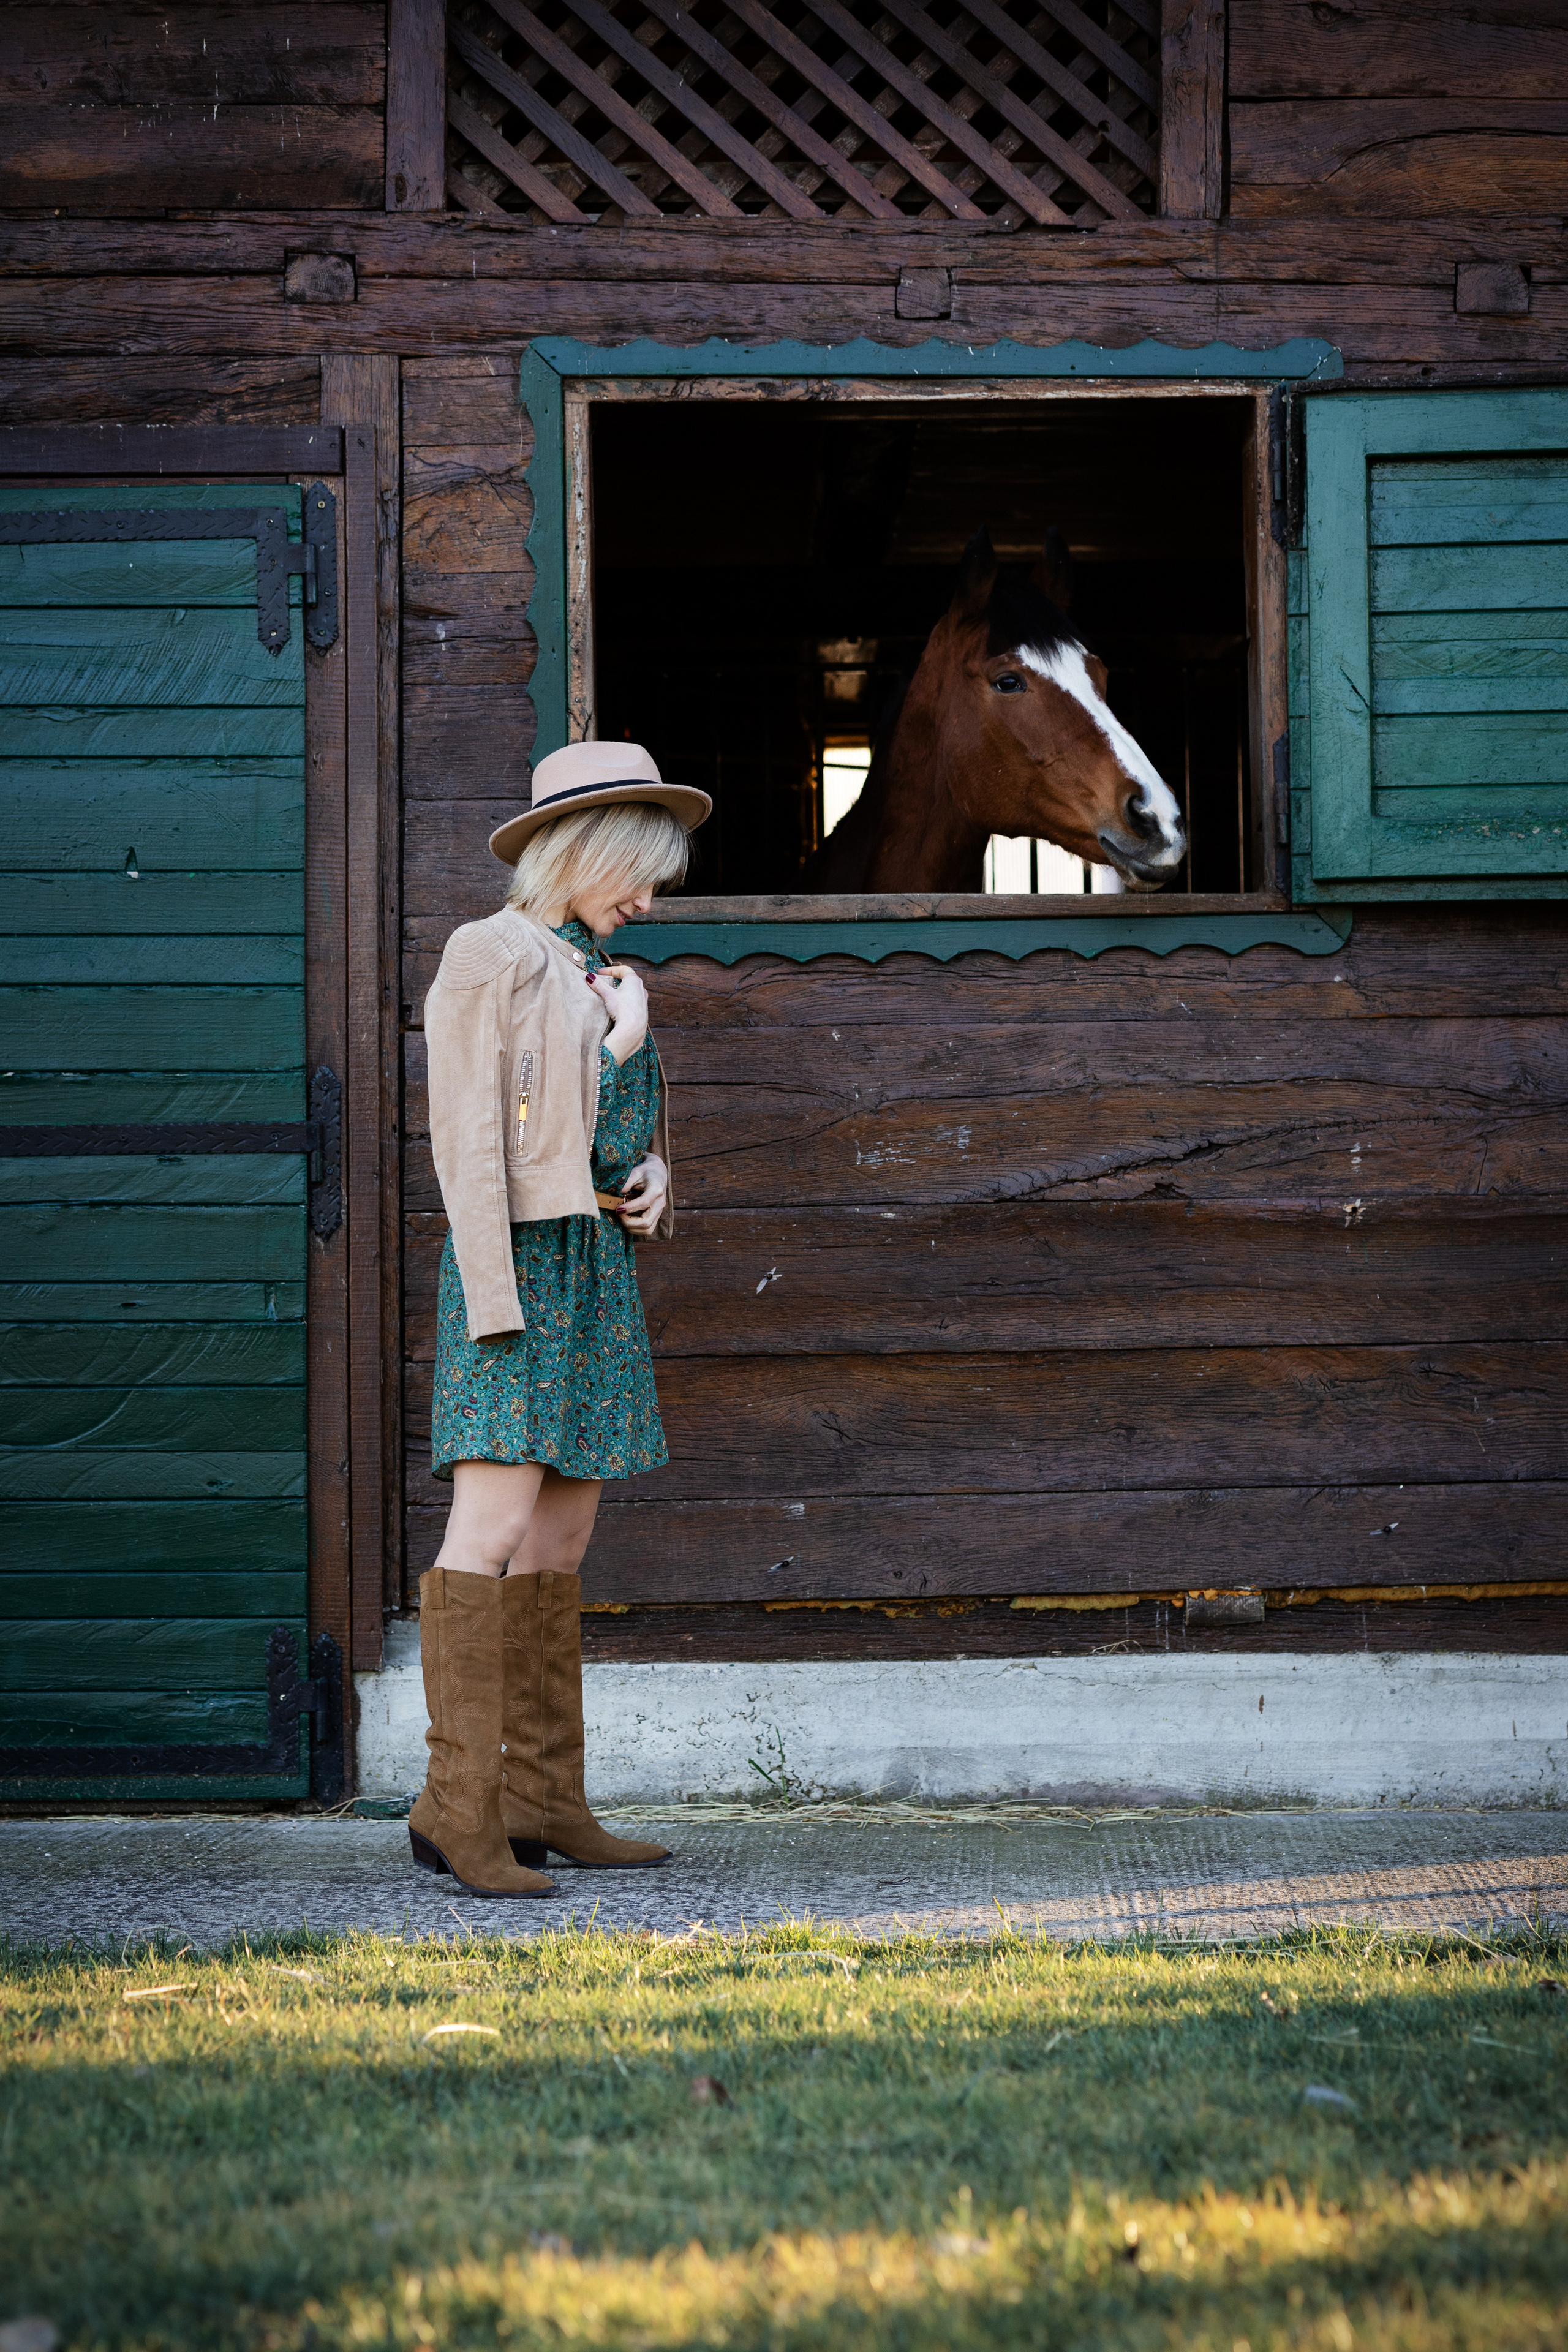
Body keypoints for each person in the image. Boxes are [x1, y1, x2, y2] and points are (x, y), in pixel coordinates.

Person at [409, 740, 710, 1897]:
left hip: (594, 1265)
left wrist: (654, 1177)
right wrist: (492, 1297)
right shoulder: (491, 952)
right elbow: (470, 1138)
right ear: (581, 853)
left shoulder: (598, 967)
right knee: (485, 1535)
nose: (646, 900)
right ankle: (456, 1808)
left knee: (562, 1541)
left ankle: (542, 1800)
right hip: (522, 1275)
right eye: (637, 874)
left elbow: (602, 1128)